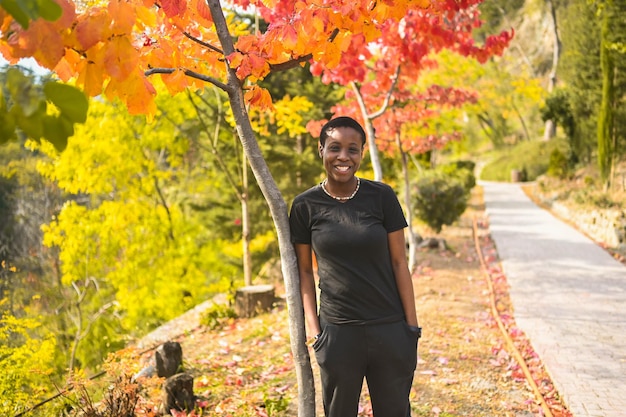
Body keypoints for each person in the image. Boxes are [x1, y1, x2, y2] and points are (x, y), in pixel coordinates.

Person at [289, 116, 421, 417]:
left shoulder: (382, 197)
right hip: (338, 333)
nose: (343, 157)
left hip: (389, 327)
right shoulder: (305, 206)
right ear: (320, 150)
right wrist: (316, 333)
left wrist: (411, 329)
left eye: (353, 149)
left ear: (362, 153)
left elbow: (400, 262)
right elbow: (305, 274)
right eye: (335, 148)